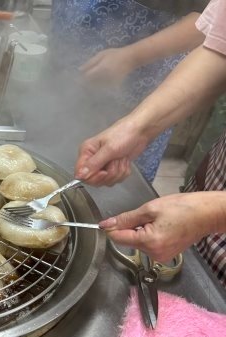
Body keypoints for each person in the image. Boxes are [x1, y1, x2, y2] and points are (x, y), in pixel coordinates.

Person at [0, 0, 205, 182]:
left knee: (107, 188)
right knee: (33, 168)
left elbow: (210, 24)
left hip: (135, 92)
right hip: (61, 76)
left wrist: (132, 57)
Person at [75, 0, 226, 286]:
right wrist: (136, 128)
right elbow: (220, 48)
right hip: (217, 180)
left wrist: (213, 212)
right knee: (194, 286)